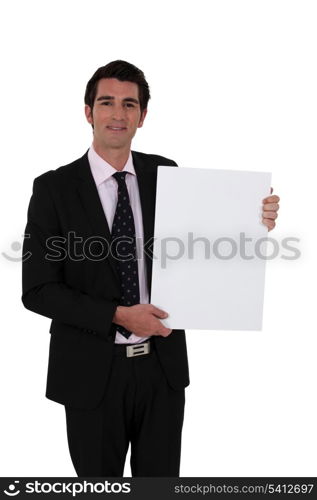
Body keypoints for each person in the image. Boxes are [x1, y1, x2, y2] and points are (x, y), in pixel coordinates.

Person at [21, 60, 280, 477]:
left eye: (130, 104)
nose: (118, 114)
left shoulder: (166, 173)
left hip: (162, 368)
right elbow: (37, 290)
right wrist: (118, 316)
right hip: (91, 374)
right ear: (88, 112)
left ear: (143, 115)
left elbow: (207, 238)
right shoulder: (54, 188)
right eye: (107, 103)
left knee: (160, 489)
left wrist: (255, 217)